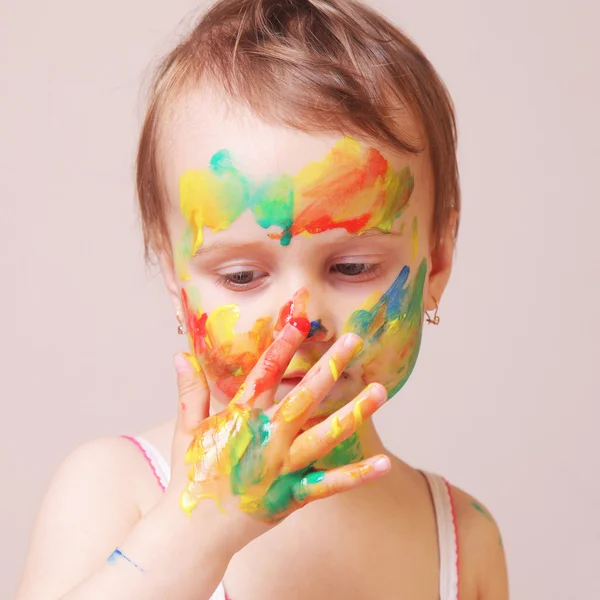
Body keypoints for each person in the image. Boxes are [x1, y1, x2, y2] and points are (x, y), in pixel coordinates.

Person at [16, 1, 509, 598]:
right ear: (176, 280)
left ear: (439, 259)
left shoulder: (461, 536)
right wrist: (199, 531)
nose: (299, 323)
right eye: (244, 276)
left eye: (352, 266)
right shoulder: (113, 491)